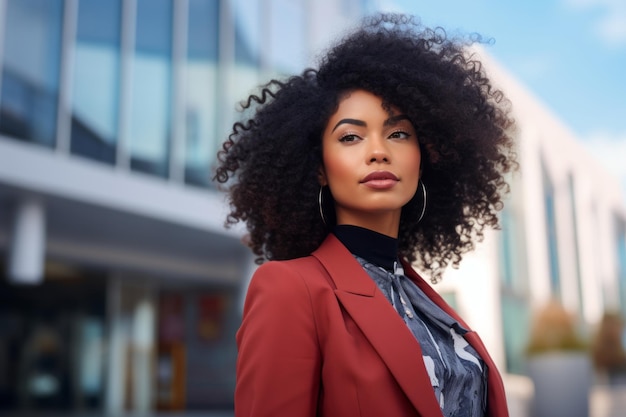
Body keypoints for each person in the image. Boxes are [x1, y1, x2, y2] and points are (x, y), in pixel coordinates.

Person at [215, 13, 517, 417]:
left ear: (423, 160)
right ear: (319, 167)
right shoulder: (290, 290)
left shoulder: (428, 303)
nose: (378, 150)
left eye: (398, 133)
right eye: (351, 136)